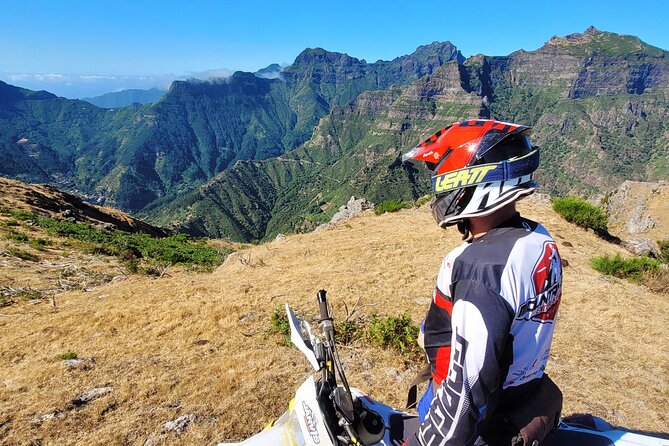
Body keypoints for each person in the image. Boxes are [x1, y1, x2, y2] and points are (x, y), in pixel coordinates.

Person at [401, 119, 563, 446]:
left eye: (445, 180)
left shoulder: (479, 270)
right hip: (523, 398)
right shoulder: (536, 238)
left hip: (481, 421)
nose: (441, 190)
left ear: (474, 183)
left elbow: (466, 397)